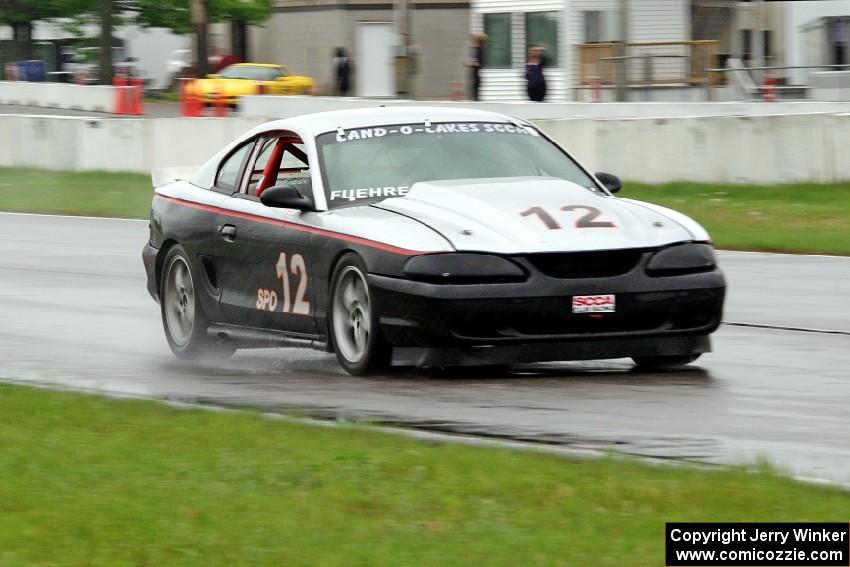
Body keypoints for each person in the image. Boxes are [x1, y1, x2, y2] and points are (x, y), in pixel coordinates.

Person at [465, 33, 486, 101]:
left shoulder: (480, 50)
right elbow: (473, 60)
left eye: (474, 40)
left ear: (477, 41)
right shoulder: (476, 49)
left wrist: (471, 63)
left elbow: (480, 63)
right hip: (474, 75)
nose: (472, 42)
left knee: (476, 95)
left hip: (477, 75)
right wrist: (469, 62)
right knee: (474, 93)